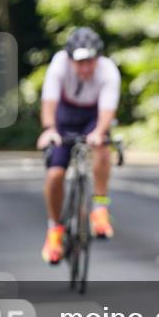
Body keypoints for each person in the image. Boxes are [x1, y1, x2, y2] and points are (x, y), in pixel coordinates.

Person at [36, 27, 121, 264]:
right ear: (70, 58)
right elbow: (49, 100)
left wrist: (98, 133)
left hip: (93, 117)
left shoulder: (108, 71)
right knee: (55, 174)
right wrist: (49, 129)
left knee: (102, 148)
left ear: (98, 58)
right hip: (65, 118)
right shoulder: (59, 64)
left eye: (90, 61)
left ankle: (100, 209)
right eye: (79, 62)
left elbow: (107, 110)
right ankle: (54, 231)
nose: (85, 68)